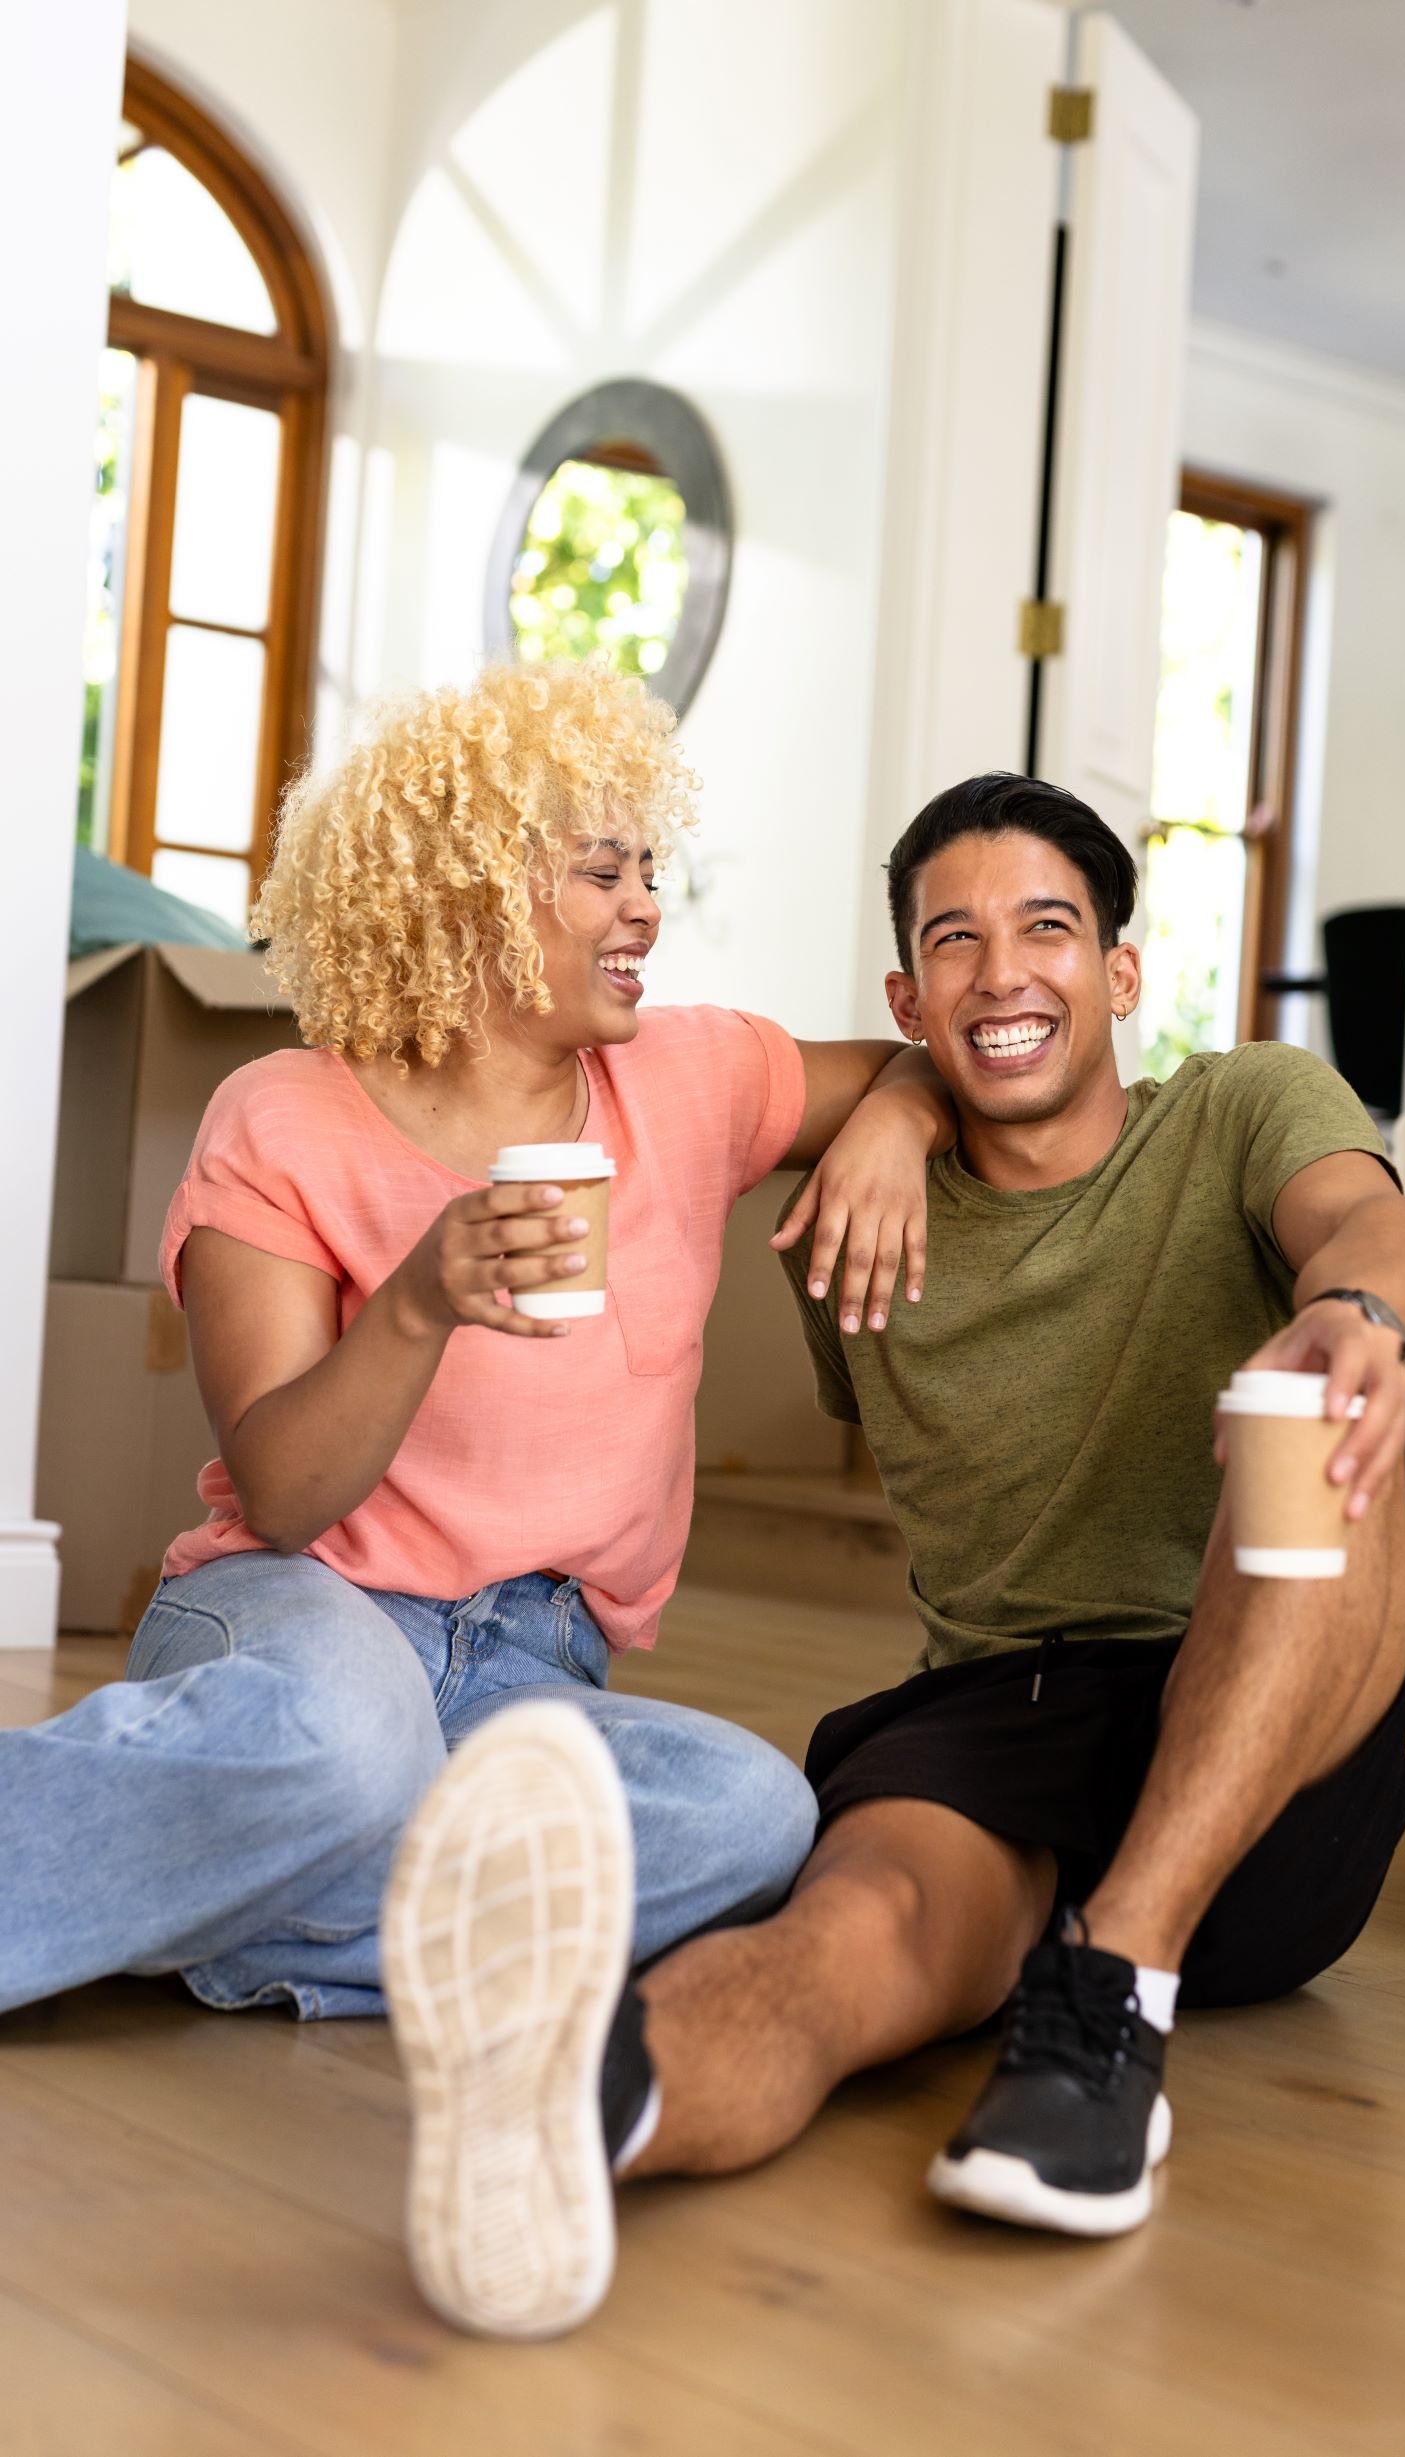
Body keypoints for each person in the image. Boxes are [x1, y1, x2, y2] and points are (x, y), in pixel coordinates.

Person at [382, 767, 1405, 2337]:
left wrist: (1353, 1313)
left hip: (1266, 1724)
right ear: (906, 998)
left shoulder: (1241, 1107)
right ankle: (571, 2108)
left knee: (1316, 1407)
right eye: (955, 941)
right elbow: (725, 1083)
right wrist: (891, 1113)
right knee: (840, 1936)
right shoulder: (856, 1233)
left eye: (1048, 929)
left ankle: (1115, 1982)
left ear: (1121, 973)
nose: (1002, 974)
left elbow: (1371, 1223)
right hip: (1006, 1710)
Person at [0, 661, 954, 2064]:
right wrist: (419, 1301)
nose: (646, 907)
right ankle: (249, 1856)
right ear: (469, 894)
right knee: (347, 1744)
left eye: (649, 870)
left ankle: (209, 1896)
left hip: (535, 1664)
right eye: (602, 872)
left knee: (751, 1822)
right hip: (305, 1619)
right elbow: (281, 1497)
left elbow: (920, 1062)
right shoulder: (282, 1117)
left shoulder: (691, 1077)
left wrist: (897, 1123)